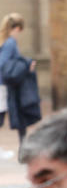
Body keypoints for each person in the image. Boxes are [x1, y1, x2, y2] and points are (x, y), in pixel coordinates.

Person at [0, 13, 41, 150]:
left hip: (7, 85)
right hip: (4, 86)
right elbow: (3, 63)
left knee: (18, 115)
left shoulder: (5, 41)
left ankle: (23, 148)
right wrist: (24, 65)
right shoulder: (10, 42)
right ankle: (23, 149)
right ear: (17, 28)